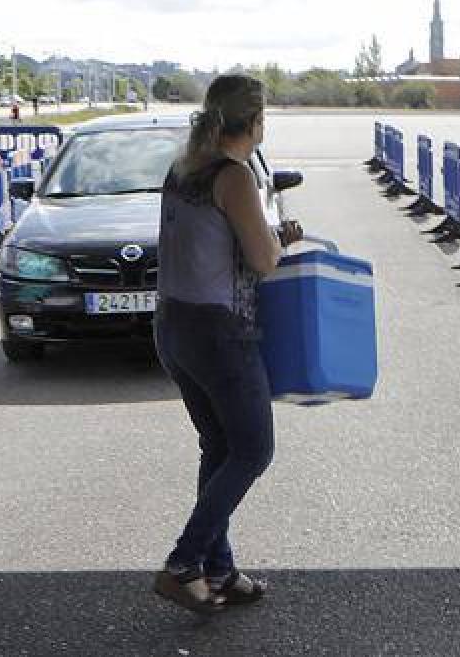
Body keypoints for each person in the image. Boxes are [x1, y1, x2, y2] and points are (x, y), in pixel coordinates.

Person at [152, 74, 303, 615]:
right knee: (253, 450)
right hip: (218, 332)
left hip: (172, 324)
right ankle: (183, 562)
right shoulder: (235, 176)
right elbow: (261, 262)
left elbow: (209, 245)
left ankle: (218, 569)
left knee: (218, 449)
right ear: (255, 123)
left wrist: (267, 241)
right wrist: (280, 244)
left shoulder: (184, 167)